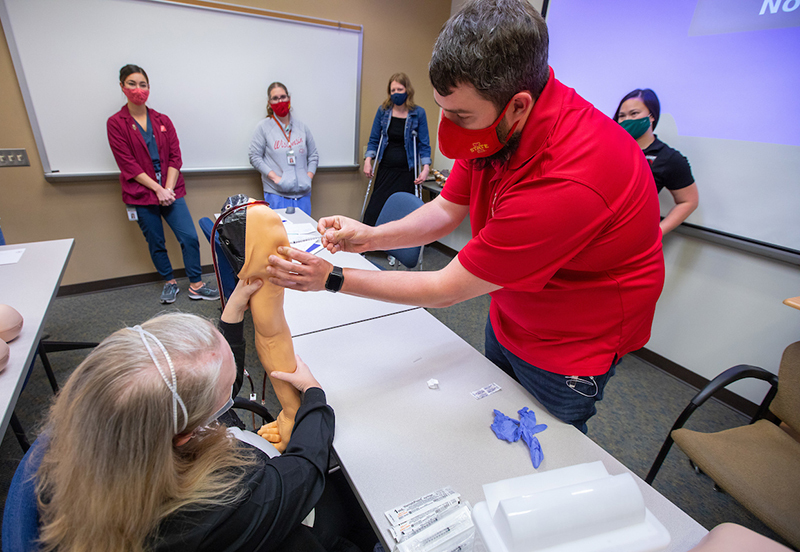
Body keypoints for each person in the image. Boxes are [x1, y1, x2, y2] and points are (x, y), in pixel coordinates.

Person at [264, 0, 665, 434]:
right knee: (491, 416)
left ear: (518, 105)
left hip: (570, 342)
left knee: (550, 449)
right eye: (441, 107)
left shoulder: (570, 177)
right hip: (512, 308)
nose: (447, 128)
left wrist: (333, 278)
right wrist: (370, 237)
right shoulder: (497, 123)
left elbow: (445, 288)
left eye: (459, 115)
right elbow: (445, 209)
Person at [25, 278, 365, 552]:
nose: (229, 397)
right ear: (188, 435)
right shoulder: (219, 507)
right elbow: (303, 473)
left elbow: (192, 387)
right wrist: (315, 399)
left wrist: (232, 312)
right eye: (223, 399)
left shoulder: (99, 426)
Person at [107, 64, 219, 304]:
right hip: (141, 194)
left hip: (171, 190)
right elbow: (127, 163)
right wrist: (156, 189)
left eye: (143, 84)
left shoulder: (162, 120)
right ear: (122, 87)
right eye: (132, 84)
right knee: (156, 241)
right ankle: (169, 282)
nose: (139, 89)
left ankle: (196, 285)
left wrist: (167, 189)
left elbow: (176, 158)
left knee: (189, 237)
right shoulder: (116, 123)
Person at [615, 89, 699, 235]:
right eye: (622, 116)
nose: (627, 119)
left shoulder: (668, 158)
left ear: (652, 116)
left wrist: (657, 233)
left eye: (634, 113)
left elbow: (688, 201)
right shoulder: (608, 147)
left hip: (626, 234)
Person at [362, 73, 431, 226]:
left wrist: (425, 168)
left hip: (407, 171)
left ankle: (398, 247)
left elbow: (424, 144)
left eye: (399, 89)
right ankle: (368, 243)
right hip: (386, 168)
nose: (396, 94)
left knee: (402, 211)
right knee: (376, 208)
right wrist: (368, 161)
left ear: (407, 90)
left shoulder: (418, 113)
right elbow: (374, 139)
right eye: (392, 90)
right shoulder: (383, 111)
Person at [249, 82, 319, 215]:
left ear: (289, 99)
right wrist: (275, 178)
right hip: (277, 194)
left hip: (303, 195)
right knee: (280, 234)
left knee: (304, 233)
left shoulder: (302, 127)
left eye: (283, 97)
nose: (280, 101)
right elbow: (254, 157)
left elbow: (313, 155)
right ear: (269, 103)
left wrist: (308, 176)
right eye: (275, 98)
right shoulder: (263, 128)